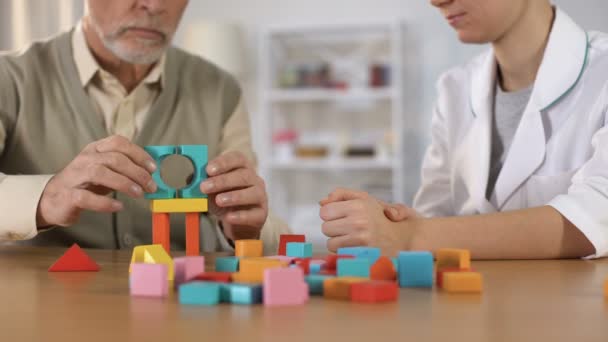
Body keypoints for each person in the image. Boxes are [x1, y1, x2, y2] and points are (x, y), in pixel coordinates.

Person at [320, 0, 608, 259]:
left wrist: (409, 236)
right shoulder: (455, 88)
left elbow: (596, 214)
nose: (436, 2)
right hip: (471, 314)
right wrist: (393, 221)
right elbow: (436, 217)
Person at [0, 0, 288, 253]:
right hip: (43, 307)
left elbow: (260, 218)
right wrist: (46, 196)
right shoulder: (9, 78)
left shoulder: (221, 90)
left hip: (180, 304)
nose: (154, 5)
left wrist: (245, 230)